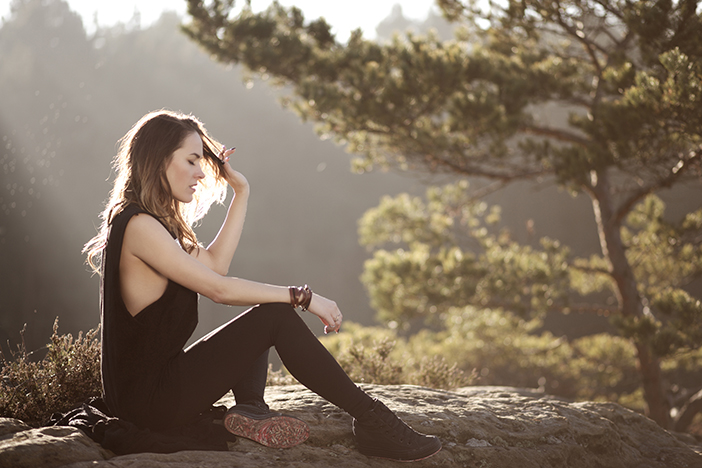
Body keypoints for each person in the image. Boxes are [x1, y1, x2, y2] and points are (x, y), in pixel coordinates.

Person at [83, 110, 441, 461]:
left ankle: (250, 408)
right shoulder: (140, 227)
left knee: (265, 312)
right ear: (158, 159)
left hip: (153, 392)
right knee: (275, 316)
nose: (200, 173)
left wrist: (241, 191)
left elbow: (216, 265)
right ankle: (372, 419)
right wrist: (302, 297)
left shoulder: (154, 226)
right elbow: (219, 289)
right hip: (149, 404)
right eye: (191, 161)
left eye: (201, 162)